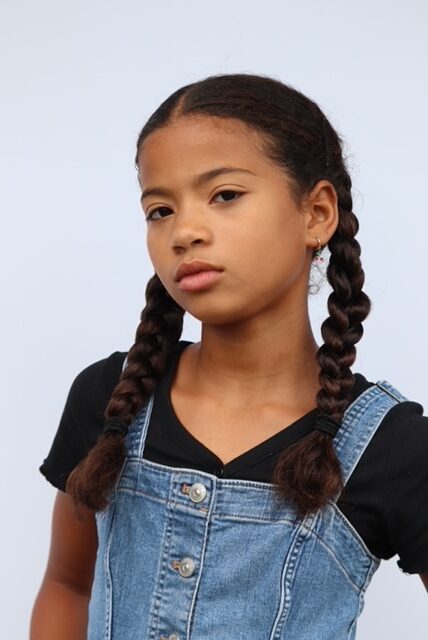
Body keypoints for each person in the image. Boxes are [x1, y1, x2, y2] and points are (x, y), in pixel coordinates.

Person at [30, 73, 428, 639]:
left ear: (317, 214)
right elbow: (68, 584)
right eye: (160, 210)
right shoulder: (110, 399)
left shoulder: (392, 447)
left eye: (225, 195)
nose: (184, 232)